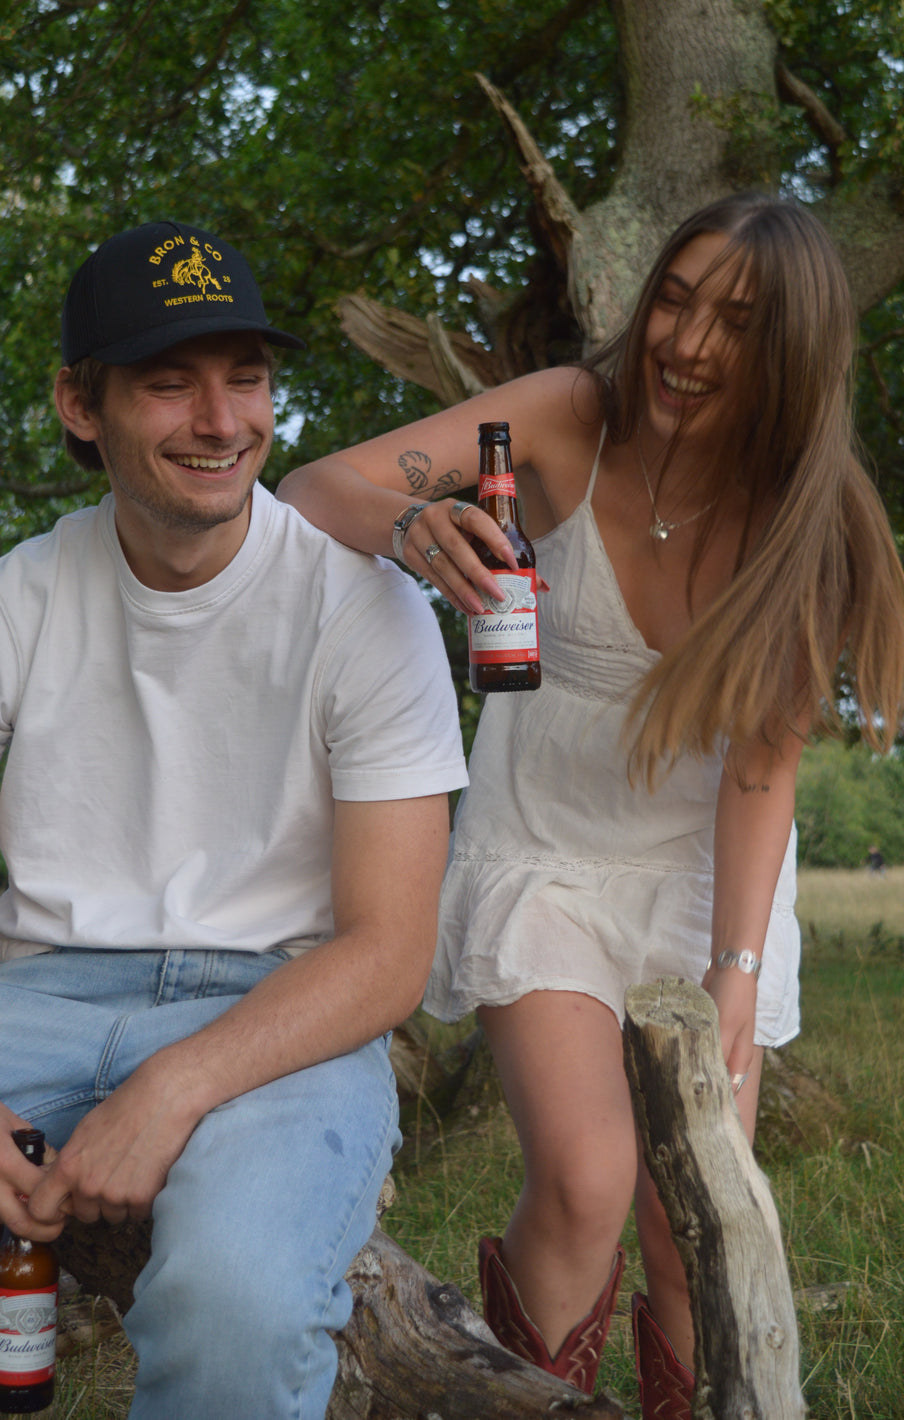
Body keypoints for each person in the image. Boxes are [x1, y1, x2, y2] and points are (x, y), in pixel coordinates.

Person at [277, 193, 904, 1417]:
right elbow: (311, 489)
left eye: (736, 322)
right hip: (542, 856)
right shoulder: (568, 416)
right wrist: (415, 525)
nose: (685, 342)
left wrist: (732, 968)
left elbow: (760, 765)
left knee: (693, 1221)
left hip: (706, 881)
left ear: (793, 353)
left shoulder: (805, 513)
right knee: (586, 1176)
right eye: (674, 298)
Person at [0, 221, 469, 1418]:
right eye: (169, 381)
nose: (221, 420)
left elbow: (389, 953)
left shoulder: (371, 614)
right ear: (78, 403)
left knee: (236, 1306)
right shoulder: (3, 607)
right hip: (38, 998)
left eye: (245, 377)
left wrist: (169, 1089)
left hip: (283, 1011)